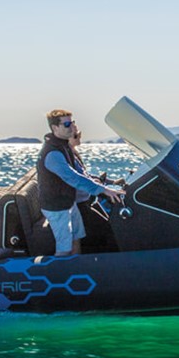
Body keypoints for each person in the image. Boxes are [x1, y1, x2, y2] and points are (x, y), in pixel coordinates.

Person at [37, 109, 124, 256]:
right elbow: (73, 178)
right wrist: (102, 190)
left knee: (77, 237)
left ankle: (77, 269)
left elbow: (81, 173)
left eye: (72, 122)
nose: (71, 127)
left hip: (68, 202)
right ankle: (60, 274)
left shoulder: (64, 146)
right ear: (55, 128)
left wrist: (104, 185)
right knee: (64, 247)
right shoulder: (53, 153)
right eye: (66, 124)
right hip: (56, 207)